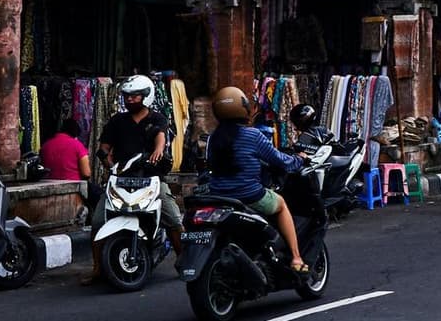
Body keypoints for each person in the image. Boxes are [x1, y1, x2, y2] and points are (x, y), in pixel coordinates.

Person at [84, 75, 183, 286]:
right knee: (97, 222)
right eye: (127, 96)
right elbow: (104, 146)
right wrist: (106, 159)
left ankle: (183, 261)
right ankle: (97, 269)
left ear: (146, 96)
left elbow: (161, 136)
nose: (129, 100)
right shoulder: (117, 121)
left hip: (151, 179)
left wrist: (158, 150)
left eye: (134, 96)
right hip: (121, 180)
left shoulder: (157, 118)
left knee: (174, 218)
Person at [204, 86, 309, 273]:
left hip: (218, 196)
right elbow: (281, 161)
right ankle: (296, 257)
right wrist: (299, 159)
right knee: (281, 204)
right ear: (243, 108)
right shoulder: (252, 135)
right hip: (249, 195)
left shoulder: (213, 139)